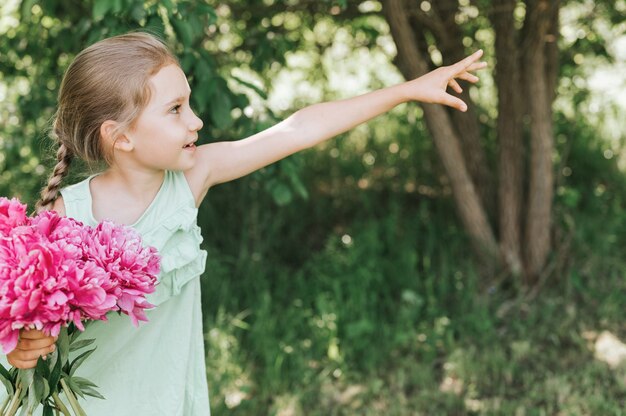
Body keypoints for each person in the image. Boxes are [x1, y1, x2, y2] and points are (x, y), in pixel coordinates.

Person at [0, 32, 485, 415]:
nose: (196, 122)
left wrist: (407, 91)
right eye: (175, 110)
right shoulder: (62, 220)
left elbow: (298, 128)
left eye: (188, 102)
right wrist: (27, 345)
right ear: (120, 137)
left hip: (166, 401)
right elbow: (26, 331)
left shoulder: (191, 180)